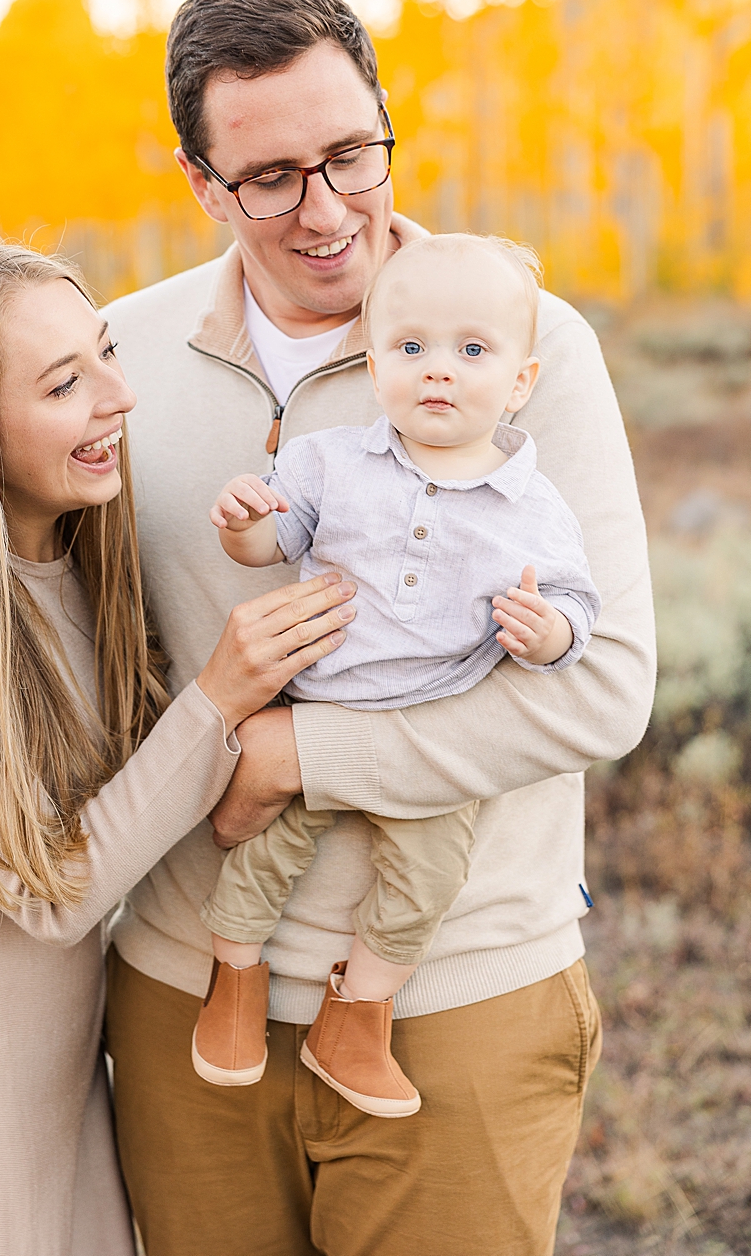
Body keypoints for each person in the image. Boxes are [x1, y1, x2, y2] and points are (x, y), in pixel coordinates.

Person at [0, 0, 654, 1255]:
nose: (326, 209)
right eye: (270, 176)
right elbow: (1, 591)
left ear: (386, 125)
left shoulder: (513, 344)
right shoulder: (120, 354)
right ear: (198, 181)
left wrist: (291, 753)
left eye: (350, 154)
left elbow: (604, 683)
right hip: (176, 1004)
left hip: (452, 998)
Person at [0, 245, 356, 1255]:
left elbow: (124, 796)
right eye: (64, 383)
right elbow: (44, 891)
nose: (118, 396)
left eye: (105, 354)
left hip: (59, 1084)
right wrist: (219, 698)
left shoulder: (80, 555)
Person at [194, 233, 600, 1119]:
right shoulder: (330, 461)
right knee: (265, 855)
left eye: (473, 351)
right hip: (317, 703)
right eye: (411, 349)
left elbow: (577, 603)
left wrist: (549, 630)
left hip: (432, 732)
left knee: (427, 879)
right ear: (375, 365)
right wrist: (243, 524)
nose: (439, 372)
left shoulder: (530, 503)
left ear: (520, 382)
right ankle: (233, 976)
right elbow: (276, 538)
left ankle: (359, 1013)